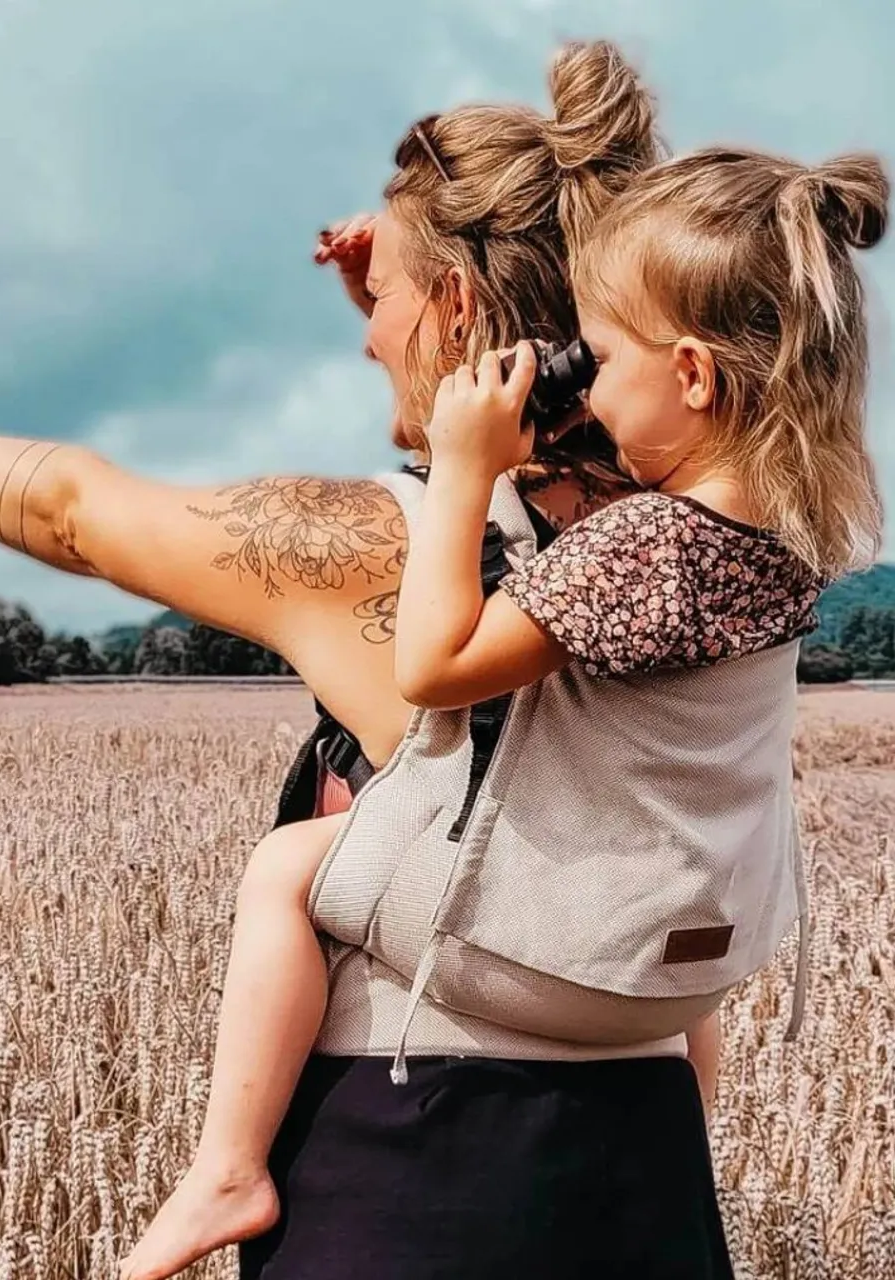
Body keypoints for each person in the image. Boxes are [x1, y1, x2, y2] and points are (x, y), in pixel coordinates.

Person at [0, 39, 740, 1278]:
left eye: (383, 305)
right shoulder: (692, 526)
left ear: (454, 307)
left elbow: (72, 509)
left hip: (416, 1167)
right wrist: (410, 281)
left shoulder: (373, 547)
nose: (366, 340)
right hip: (649, 1165)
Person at [116, 138, 887, 1280]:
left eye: (601, 356)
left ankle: (226, 1168)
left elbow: (435, 664)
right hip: (680, 979)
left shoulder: (638, 545)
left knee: (285, 867)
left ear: (690, 374)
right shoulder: (787, 539)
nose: (589, 384)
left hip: (548, 962)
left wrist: (463, 464)